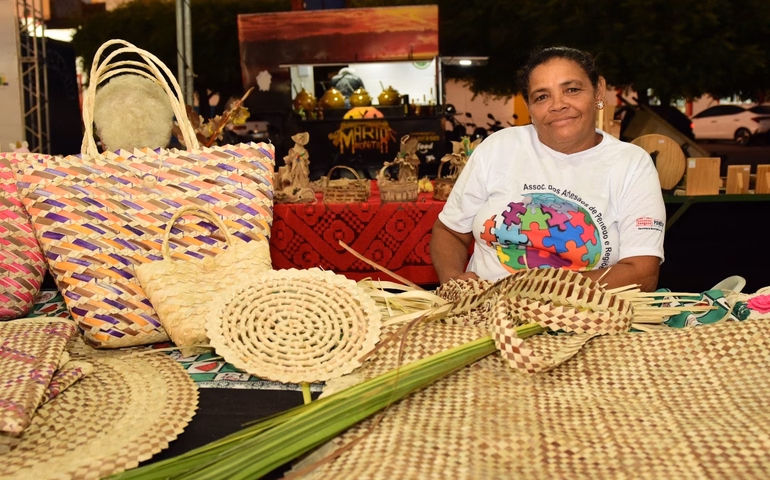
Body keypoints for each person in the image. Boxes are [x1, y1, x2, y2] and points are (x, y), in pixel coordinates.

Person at [430, 47, 665, 292]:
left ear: (599, 91)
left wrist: (537, 293)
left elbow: (642, 273)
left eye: (572, 90)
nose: (558, 105)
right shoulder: (498, 148)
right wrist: (453, 279)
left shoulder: (631, 164)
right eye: (542, 97)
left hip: (585, 316)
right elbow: (449, 231)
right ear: (528, 106)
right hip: (486, 311)